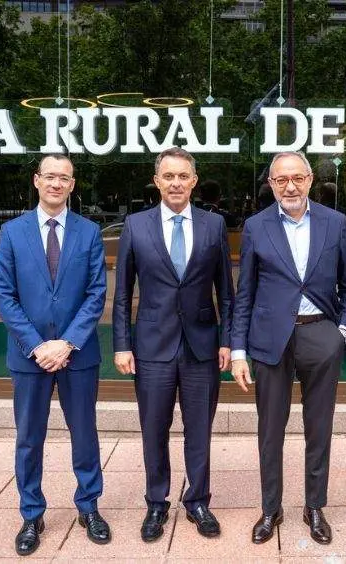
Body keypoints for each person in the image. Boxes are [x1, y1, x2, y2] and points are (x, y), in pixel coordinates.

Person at [231, 151, 346, 546]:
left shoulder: (334, 222)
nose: (290, 186)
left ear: (309, 180)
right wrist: (238, 350)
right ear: (270, 184)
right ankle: (271, 508)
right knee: (270, 431)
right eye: (281, 179)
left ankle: (314, 506)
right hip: (271, 341)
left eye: (297, 178)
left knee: (318, 429)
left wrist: (342, 332)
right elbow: (245, 294)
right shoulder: (256, 226)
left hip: (320, 335)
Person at [112, 147, 234, 542]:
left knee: (199, 429)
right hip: (151, 347)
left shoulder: (214, 227)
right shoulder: (136, 225)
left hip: (202, 346)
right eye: (169, 176)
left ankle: (198, 500)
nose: (176, 183)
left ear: (194, 181)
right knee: (154, 429)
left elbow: (226, 293)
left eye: (183, 176)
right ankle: (156, 502)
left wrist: (228, 340)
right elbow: (122, 293)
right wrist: (122, 344)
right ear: (157, 180)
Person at [0, 154, 110, 555]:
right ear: (36, 181)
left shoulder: (90, 232)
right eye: (50, 177)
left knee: (85, 434)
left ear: (73, 185)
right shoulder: (12, 232)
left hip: (78, 355)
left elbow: (97, 293)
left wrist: (68, 342)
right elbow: (4, 296)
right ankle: (31, 513)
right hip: (30, 356)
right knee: (29, 438)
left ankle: (89, 507)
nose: (57, 184)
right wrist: (38, 345)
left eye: (65, 178)